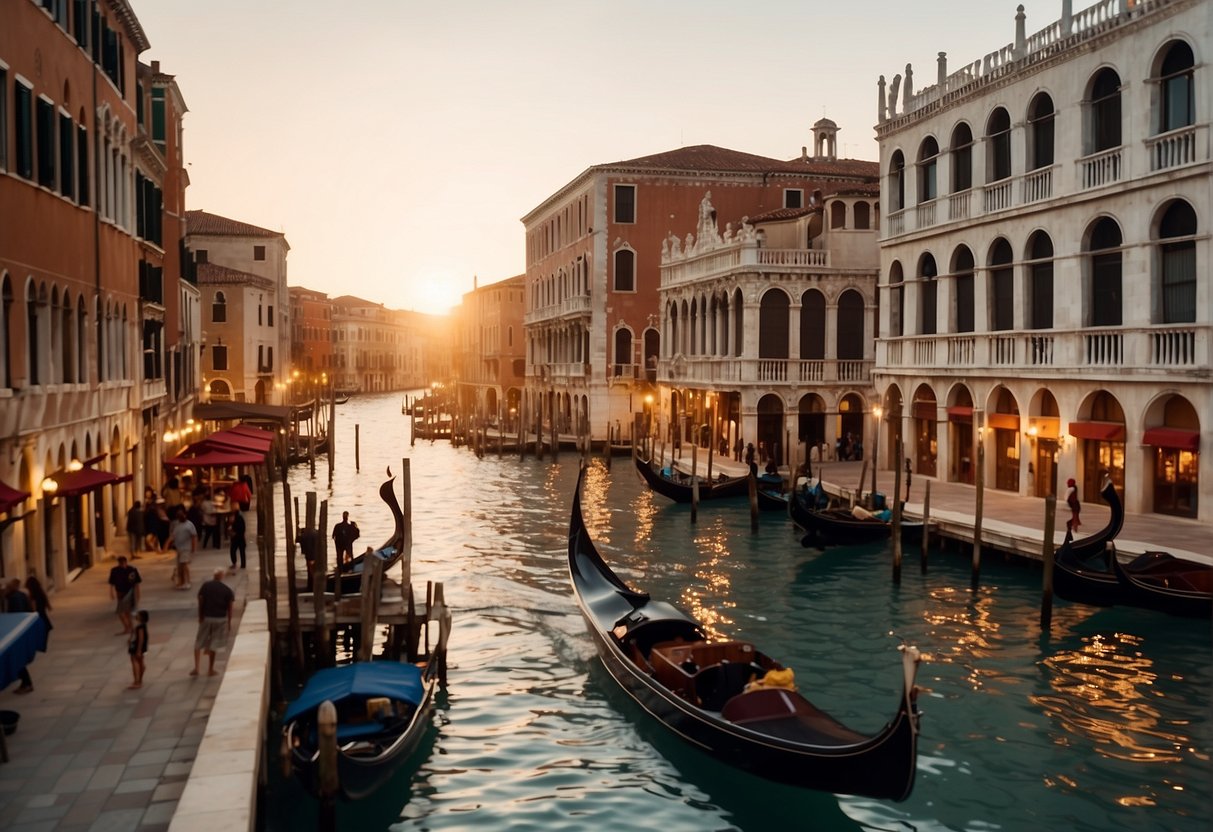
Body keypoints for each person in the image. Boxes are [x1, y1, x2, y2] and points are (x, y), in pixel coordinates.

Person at [193, 568, 234, 677]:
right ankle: (210, 669)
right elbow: (229, 608)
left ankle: (196, 668)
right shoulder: (227, 590)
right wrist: (229, 623)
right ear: (222, 576)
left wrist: (200, 615)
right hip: (220, 619)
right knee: (214, 644)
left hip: (207, 617)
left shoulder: (206, 586)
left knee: (199, 641)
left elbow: (200, 600)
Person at [4, 578, 34, 693]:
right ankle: (25, 683)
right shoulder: (17, 595)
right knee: (17, 660)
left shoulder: (15, 598)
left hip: (16, 634)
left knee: (16, 660)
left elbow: (17, 615)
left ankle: (27, 684)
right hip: (18, 633)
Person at [108, 555, 142, 635]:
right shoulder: (115, 571)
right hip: (120, 593)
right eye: (121, 563)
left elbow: (136, 583)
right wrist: (111, 593)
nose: (122, 564)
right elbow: (112, 583)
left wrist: (138, 594)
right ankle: (130, 628)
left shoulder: (132, 570)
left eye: (123, 563)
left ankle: (128, 628)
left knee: (123, 612)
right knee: (126, 612)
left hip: (129, 592)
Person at [169, 507, 198, 590]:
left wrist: (193, 547)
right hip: (179, 549)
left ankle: (187, 581)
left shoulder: (189, 525)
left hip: (186, 548)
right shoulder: (177, 525)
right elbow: (173, 536)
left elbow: (194, 536)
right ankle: (181, 582)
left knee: (184, 565)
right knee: (180, 567)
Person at [128, 609, 149, 689]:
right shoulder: (141, 626)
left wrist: (139, 650)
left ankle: (137, 680)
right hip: (139, 646)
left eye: (138, 614)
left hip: (136, 646)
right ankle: (139, 680)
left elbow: (141, 638)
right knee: (140, 662)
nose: (136, 615)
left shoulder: (140, 627)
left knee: (135, 661)